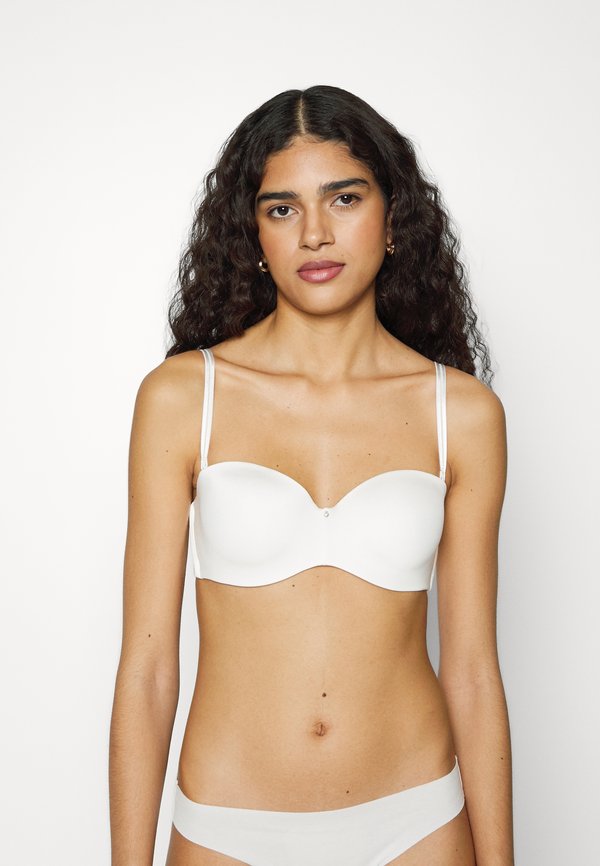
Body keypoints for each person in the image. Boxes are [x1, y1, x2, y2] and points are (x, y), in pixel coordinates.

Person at [109, 85, 513, 866]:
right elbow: (149, 668)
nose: (316, 233)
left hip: (417, 823)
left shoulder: (460, 414)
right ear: (254, 233)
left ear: (393, 219)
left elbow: (471, 670)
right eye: (282, 208)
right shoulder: (184, 398)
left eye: (345, 198)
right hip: (227, 827)